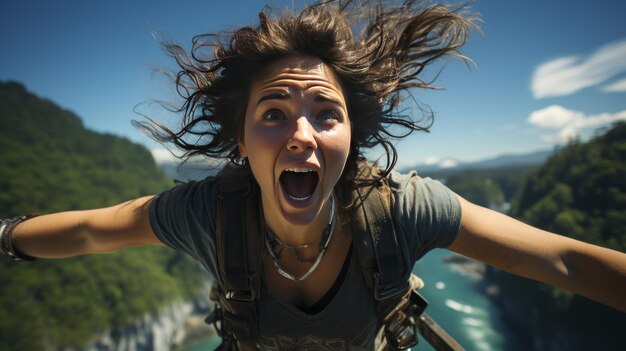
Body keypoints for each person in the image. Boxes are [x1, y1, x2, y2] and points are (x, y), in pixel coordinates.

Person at [1, 0, 625, 350]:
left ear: (352, 139)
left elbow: (566, 262)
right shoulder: (205, 212)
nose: (302, 133)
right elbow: (86, 231)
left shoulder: (402, 209)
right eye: (275, 113)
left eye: (327, 114)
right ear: (241, 140)